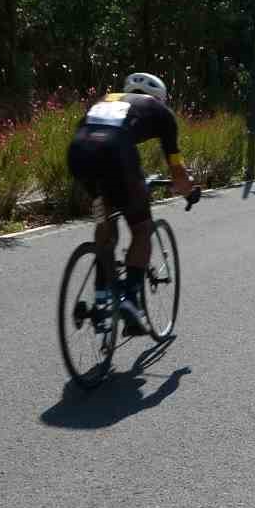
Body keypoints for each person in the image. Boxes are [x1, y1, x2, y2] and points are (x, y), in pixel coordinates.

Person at [66, 72, 194, 336]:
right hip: (116, 153)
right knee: (141, 228)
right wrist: (189, 192)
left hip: (79, 154)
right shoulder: (161, 112)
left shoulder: (105, 101)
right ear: (160, 98)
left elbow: (88, 133)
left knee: (106, 221)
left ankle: (101, 299)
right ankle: (131, 302)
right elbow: (178, 172)